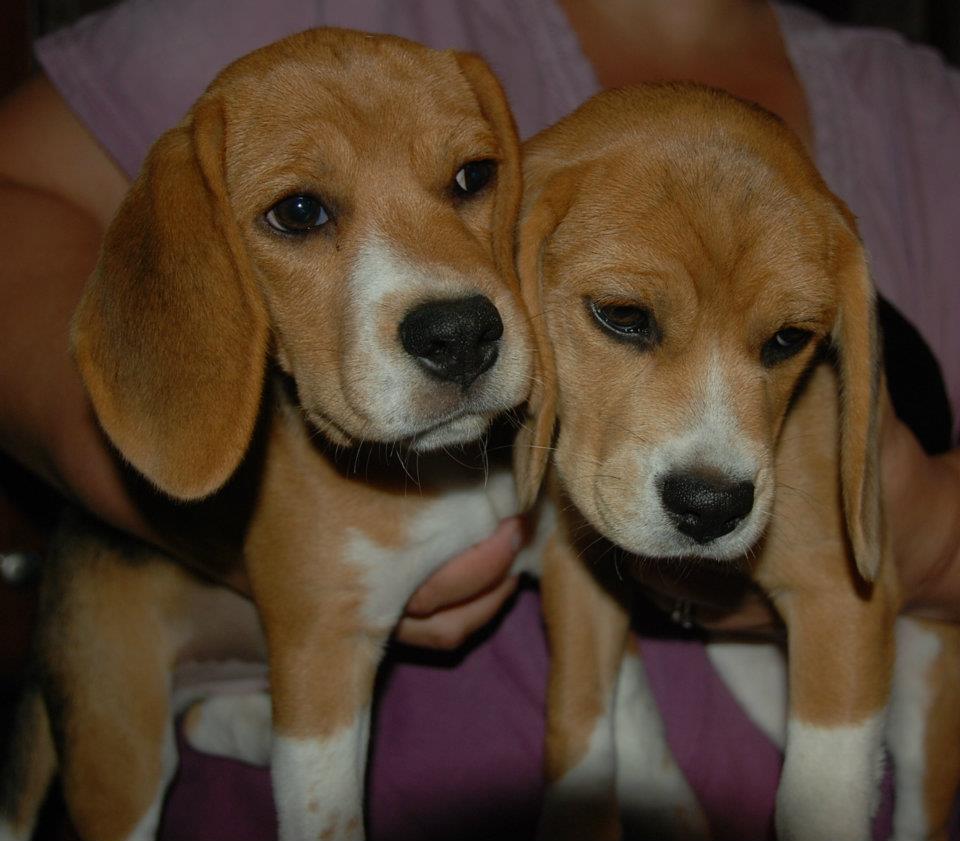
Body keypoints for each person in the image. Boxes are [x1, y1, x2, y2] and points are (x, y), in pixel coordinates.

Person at [1, 0, 959, 838]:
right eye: (302, 211)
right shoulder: (301, 31)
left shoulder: (923, 103)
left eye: (469, 182)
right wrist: (207, 498)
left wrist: (932, 534)